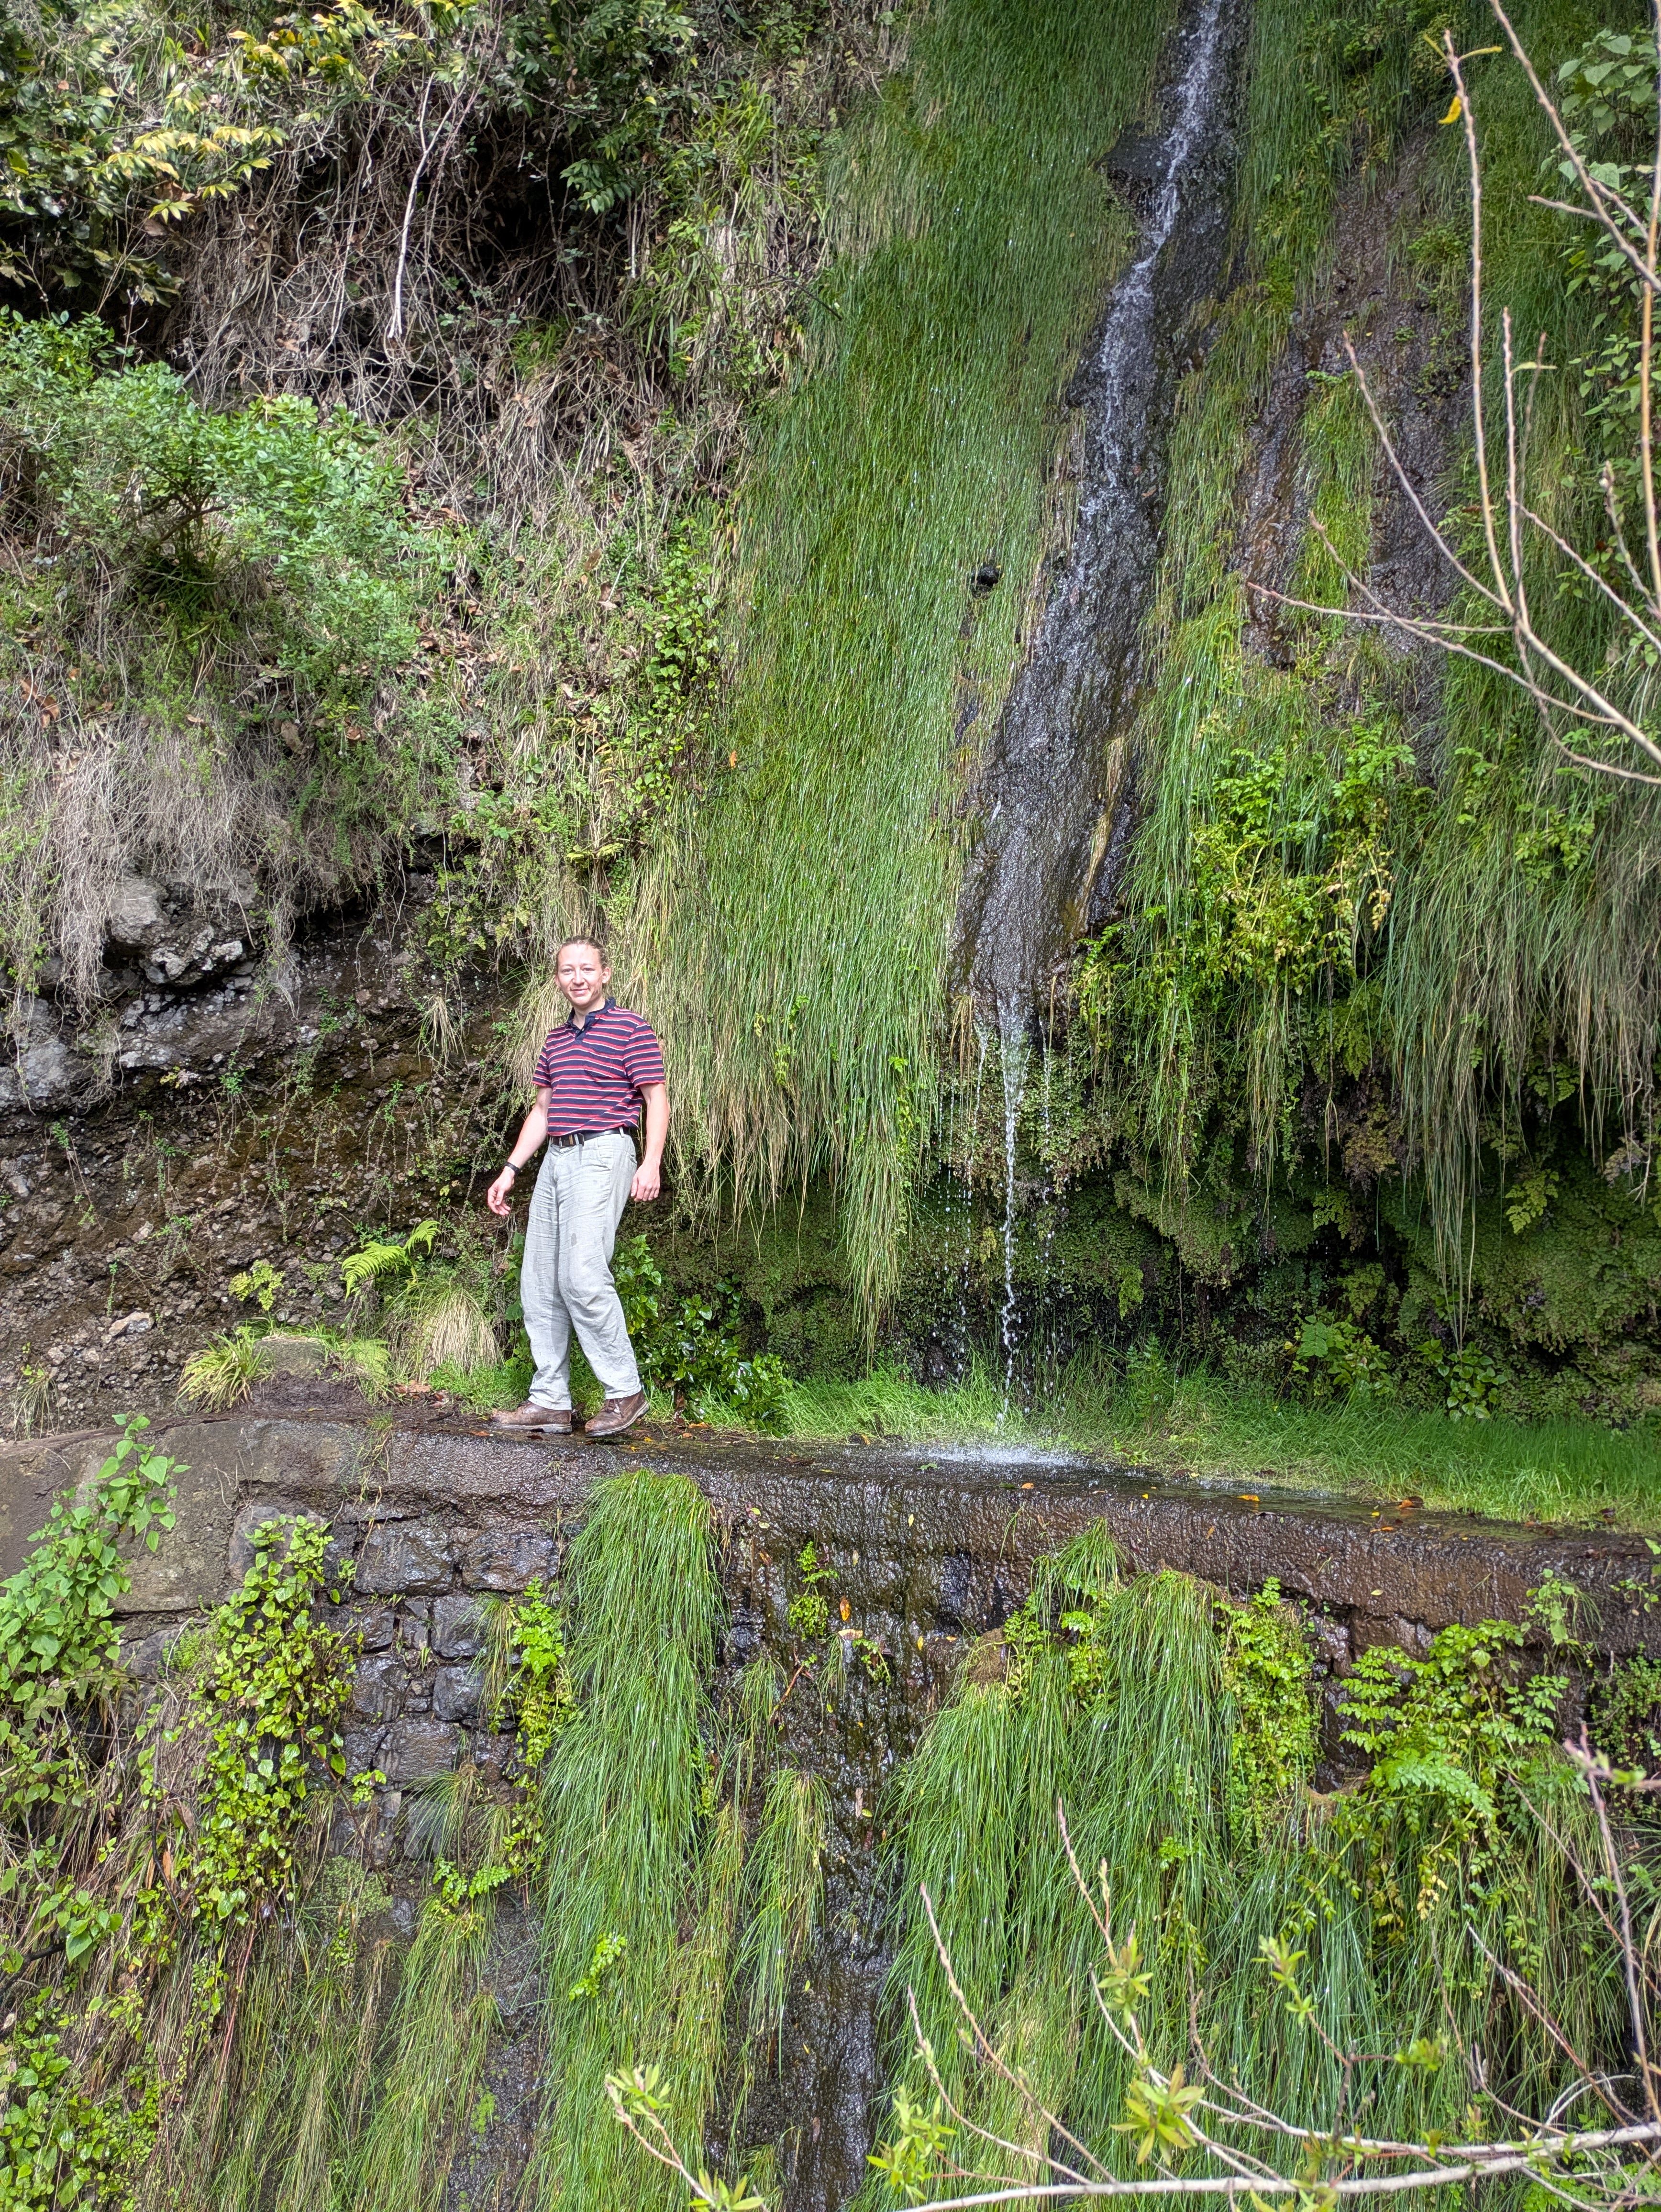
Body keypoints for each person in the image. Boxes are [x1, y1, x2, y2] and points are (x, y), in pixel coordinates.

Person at [484, 936, 668, 1438]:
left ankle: (625, 1391)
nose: (578, 978)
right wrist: (511, 1168)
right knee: (540, 1281)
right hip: (557, 1158)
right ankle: (550, 1401)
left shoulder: (632, 1027)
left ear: (605, 973)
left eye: (586, 968)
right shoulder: (555, 1041)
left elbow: (656, 1098)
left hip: (606, 1150)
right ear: (558, 979)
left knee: (583, 1275)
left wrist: (650, 1162)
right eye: (568, 970)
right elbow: (543, 1112)